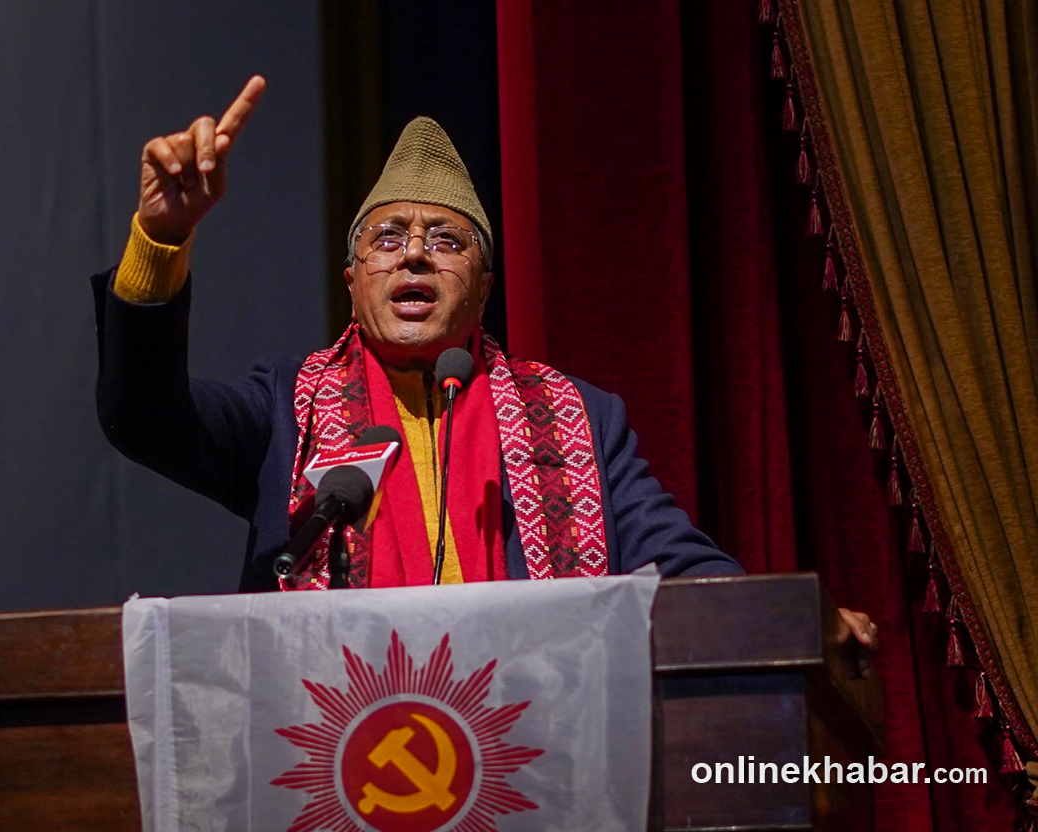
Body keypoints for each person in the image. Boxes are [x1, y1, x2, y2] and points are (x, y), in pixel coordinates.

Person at [91, 76, 878, 660]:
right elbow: (144, 416)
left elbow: (670, 555)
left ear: (484, 286)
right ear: (352, 278)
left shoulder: (575, 416)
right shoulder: (286, 407)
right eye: (388, 238)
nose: (414, 255)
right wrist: (162, 239)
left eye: (446, 240)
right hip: (329, 741)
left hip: (527, 736)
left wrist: (786, 615)